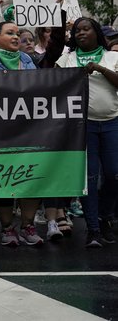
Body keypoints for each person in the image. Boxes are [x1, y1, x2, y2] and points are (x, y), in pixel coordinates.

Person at [0, 21, 46, 246]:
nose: (16, 37)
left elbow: (40, 91)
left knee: (31, 177)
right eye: (9, 33)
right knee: (1, 177)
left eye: (17, 34)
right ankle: (7, 228)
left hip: (27, 131)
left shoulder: (28, 61)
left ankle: (28, 225)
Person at [55, 17, 118, 248]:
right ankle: (93, 229)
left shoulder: (113, 57)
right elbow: (54, 84)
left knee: (114, 174)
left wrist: (100, 69)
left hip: (112, 122)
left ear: (96, 32)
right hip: (83, 127)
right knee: (88, 178)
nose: (80, 33)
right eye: (76, 31)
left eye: (85, 29)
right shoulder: (67, 58)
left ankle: (104, 217)